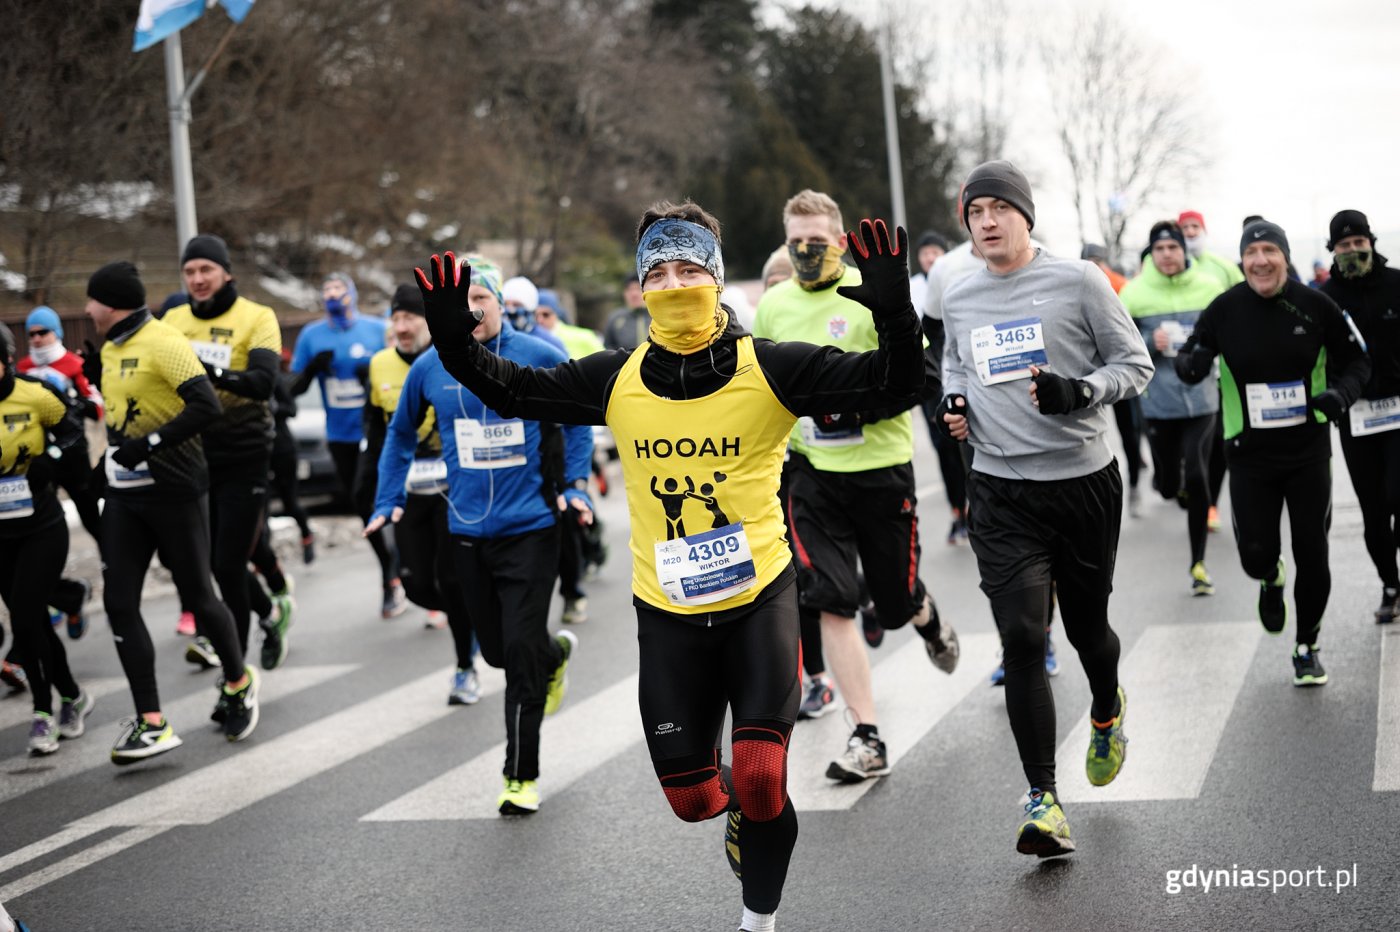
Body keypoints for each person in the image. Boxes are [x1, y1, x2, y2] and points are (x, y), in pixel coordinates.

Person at [413, 199, 925, 932]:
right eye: (658, 271)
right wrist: (454, 344)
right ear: (640, 286)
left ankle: (758, 921)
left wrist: (895, 313)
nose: (674, 282)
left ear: (716, 279)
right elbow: (511, 390)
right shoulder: (614, 379)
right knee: (693, 799)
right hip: (669, 613)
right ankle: (738, 815)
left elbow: (896, 387)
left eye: (689, 268)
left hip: (758, 600)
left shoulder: (769, 367)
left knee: (757, 773)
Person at [936, 160, 1153, 856]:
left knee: (1090, 632)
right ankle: (1043, 799)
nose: (988, 222)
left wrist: (1080, 392)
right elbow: (954, 362)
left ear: (1026, 215)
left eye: (1000, 208)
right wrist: (956, 403)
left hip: (1082, 483)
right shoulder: (962, 295)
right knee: (1024, 637)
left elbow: (1135, 365)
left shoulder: (1078, 281)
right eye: (976, 213)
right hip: (1000, 490)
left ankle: (1106, 708)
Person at [369, 258, 591, 813]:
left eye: (480, 301)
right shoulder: (430, 367)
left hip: (532, 528)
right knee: (495, 652)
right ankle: (551, 658)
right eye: (459, 305)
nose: (470, 312)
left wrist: (578, 486)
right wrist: (388, 499)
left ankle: (521, 776)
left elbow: (576, 420)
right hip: (466, 530)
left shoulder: (539, 354)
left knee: (516, 653)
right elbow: (398, 437)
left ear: (498, 303)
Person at [754, 189, 959, 786]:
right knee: (830, 599)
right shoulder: (774, 306)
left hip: (881, 469)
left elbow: (918, 378)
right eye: (796, 244)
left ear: (840, 241)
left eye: (817, 243)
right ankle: (866, 734)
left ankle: (922, 615)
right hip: (812, 477)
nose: (805, 254)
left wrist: (854, 413)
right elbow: (761, 386)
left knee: (892, 604)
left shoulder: (873, 296)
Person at [1175, 220, 1369, 685]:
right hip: (1247, 455)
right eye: (1252, 252)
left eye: (1269, 251)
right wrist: (1192, 363)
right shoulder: (1224, 309)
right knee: (1255, 554)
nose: (1260, 260)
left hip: (1307, 452)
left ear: (1283, 256)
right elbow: (1188, 357)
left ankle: (1307, 646)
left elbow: (1358, 360)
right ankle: (1270, 577)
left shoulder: (1315, 306)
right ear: (1242, 261)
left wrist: (1340, 397)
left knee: (1314, 554)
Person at [84, 260, 259, 762]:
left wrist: (152, 445)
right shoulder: (113, 348)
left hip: (176, 489)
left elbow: (206, 405)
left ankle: (238, 681)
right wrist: (107, 464)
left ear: (110, 302)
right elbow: (123, 421)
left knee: (200, 598)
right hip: (125, 496)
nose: (88, 309)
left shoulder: (163, 341)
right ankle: (152, 721)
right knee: (120, 602)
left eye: (93, 301)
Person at [164, 234, 292, 670]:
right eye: (190, 271)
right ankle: (270, 613)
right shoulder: (172, 318)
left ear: (226, 272)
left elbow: (261, 383)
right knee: (208, 563)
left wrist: (208, 373)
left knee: (226, 562)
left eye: (206, 270)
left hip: (245, 454)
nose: (197, 279)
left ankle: (234, 672)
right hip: (192, 456)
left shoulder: (256, 316)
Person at [364, 283, 481, 703]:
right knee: (415, 585)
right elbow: (380, 431)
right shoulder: (379, 365)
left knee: (451, 579)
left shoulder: (458, 360)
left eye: (410, 317)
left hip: (455, 488)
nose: (402, 326)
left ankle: (465, 665)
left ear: (428, 321)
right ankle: (473, 618)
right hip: (411, 489)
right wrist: (374, 490)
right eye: (395, 318)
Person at [1119, 220, 1231, 594]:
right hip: (1158, 404)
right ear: (1152, 254)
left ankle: (1198, 563)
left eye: (1173, 248)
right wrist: (1151, 340)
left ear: (1184, 250)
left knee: (1198, 476)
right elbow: (1119, 344)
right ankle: (1170, 485)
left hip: (1202, 400)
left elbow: (1223, 338)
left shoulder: (1209, 287)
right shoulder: (1134, 293)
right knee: (1168, 486)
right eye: (1160, 249)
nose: (1167, 255)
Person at [0, 325, 94, 754]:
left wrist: (48, 461)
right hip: (1, 534)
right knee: (32, 619)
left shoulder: (34, 394)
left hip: (41, 526)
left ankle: (42, 713)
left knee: (23, 619)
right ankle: (73, 695)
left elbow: (73, 432)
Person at [291, 272, 405, 617]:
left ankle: (398, 573)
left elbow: (402, 365)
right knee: (362, 504)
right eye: (326, 289)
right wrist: (311, 370)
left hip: (380, 432)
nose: (332, 294)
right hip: (341, 435)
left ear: (352, 295)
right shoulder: (312, 335)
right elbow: (292, 387)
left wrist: (370, 373)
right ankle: (390, 569)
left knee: (396, 501)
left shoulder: (375, 329)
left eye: (338, 289)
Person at [1318, 210, 1400, 622]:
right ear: (1333, 250)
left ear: (1371, 241)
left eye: (1359, 242)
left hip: (1399, 408)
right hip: (1356, 414)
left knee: (1398, 493)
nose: (1353, 250)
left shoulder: (1396, 283)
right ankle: (1390, 583)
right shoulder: (1326, 296)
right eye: (1344, 245)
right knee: (1374, 511)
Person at [17, 306, 103, 637]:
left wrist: (78, 402)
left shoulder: (73, 364)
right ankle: (61, 597)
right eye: (32, 333)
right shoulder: (21, 367)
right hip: (39, 462)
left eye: (43, 332)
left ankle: (119, 584)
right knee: (40, 532)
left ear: (57, 333)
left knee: (93, 520)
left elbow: (97, 409)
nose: (37, 339)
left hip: (74, 457)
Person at [1177, 210, 1245, 291]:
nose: (1190, 232)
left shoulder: (1224, 265)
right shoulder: (1168, 266)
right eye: (1184, 227)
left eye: (1195, 226)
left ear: (1204, 231)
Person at [502, 275, 568, 355]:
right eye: (505, 304)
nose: (509, 309)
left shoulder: (550, 343)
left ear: (531, 308)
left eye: (517, 305)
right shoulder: (496, 339)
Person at [602, 273, 650, 350]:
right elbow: (608, 348)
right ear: (624, 293)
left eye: (638, 288)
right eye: (630, 289)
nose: (634, 294)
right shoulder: (615, 318)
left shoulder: (659, 316)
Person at [909, 230, 950, 316]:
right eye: (925, 254)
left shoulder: (955, 282)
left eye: (935, 252)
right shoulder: (910, 287)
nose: (930, 259)